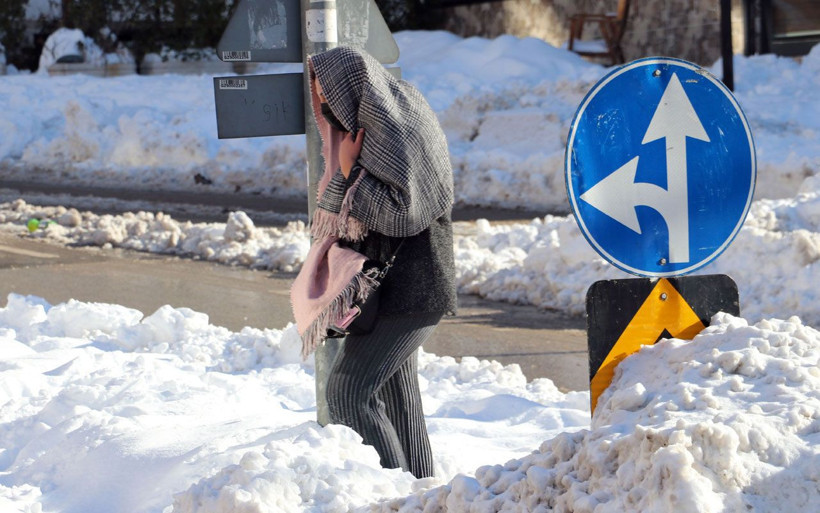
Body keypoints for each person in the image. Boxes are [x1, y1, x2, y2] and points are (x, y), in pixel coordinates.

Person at [289, 46, 456, 478]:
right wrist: (346, 172)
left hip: (416, 285)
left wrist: (347, 174)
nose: (322, 104)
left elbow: (406, 212)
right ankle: (423, 497)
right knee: (400, 399)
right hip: (389, 288)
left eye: (327, 93)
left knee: (347, 391)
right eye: (317, 94)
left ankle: (395, 498)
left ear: (351, 90)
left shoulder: (399, 130)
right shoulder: (371, 126)